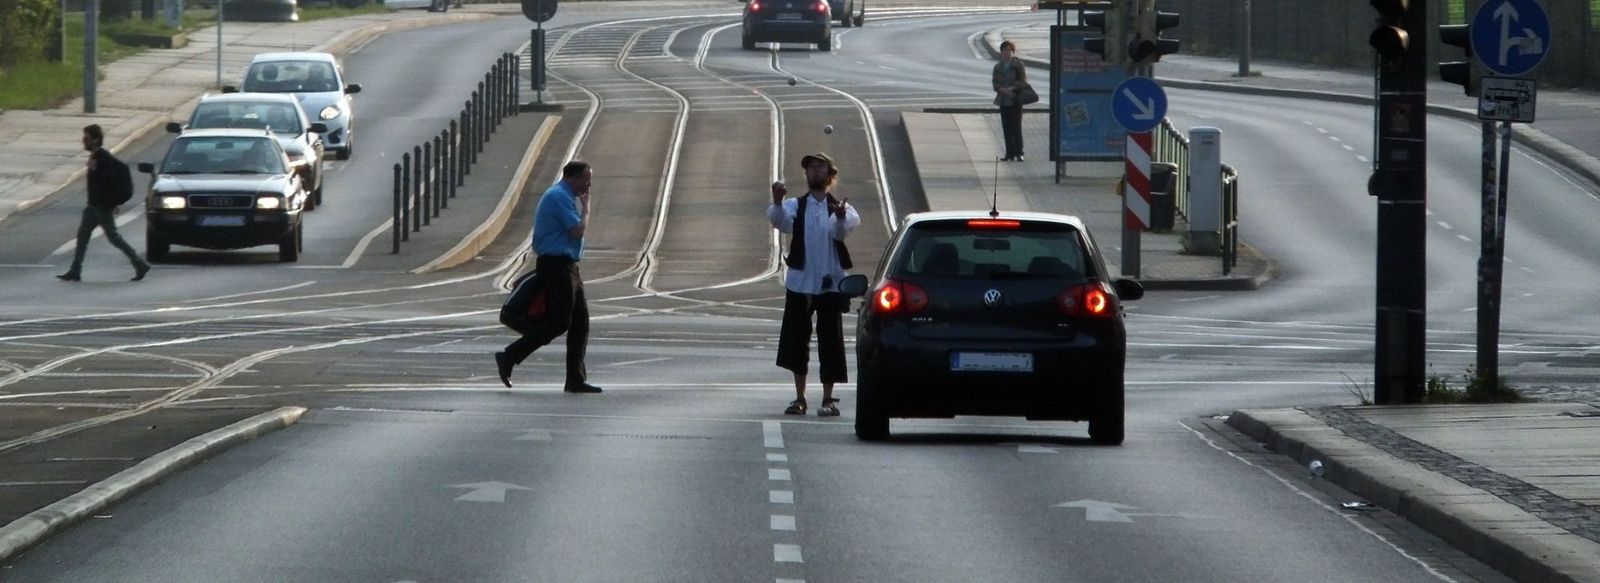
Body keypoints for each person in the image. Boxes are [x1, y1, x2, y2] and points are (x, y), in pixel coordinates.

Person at [495, 161, 602, 394]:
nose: (589, 185)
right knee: (559, 322)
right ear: (573, 178)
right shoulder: (558, 196)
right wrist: (587, 209)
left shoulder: (564, 196)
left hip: (567, 266)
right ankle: (509, 356)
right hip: (556, 266)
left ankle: (575, 379)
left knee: (580, 323)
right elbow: (577, 231)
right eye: (586, 179)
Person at [767, 152, 861, 417]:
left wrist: (839, 217)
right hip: (801, 283)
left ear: (830, 175)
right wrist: (777, 202)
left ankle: (828, 399)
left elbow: (839, 233)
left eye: (820, 167)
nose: (815, 171)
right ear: (806, 174)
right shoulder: (796, 205)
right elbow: (781, 222)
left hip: (831, 285)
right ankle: (800, 398)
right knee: (797, 342)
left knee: (831, 342)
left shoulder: (841, 208)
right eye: (811, 168)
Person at [58, 125, 151, 282]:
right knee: (82, 238)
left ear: (95, 140)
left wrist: (112, 203)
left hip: (101, 209)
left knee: (114, 238)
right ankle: (75, 270)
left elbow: (111, 181)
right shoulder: (95, 157)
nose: (84, 141)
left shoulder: (103, 158)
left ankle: (139, 263)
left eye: (87, 139)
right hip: (92, 208)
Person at [993, 40, 1027, 162]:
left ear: (1013, 52)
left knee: (1016, 127)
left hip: (1015, 100)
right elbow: (995, 84)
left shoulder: (1018, 65)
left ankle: (1019, 152)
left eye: (1008, 51)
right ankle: (1009, 153)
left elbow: (1023, 82)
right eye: (1004, 51)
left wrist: (1011, 89)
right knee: (1006, 128)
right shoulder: (998, 67)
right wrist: (1002, 90)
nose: (1006, 53)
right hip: (1003, 100)